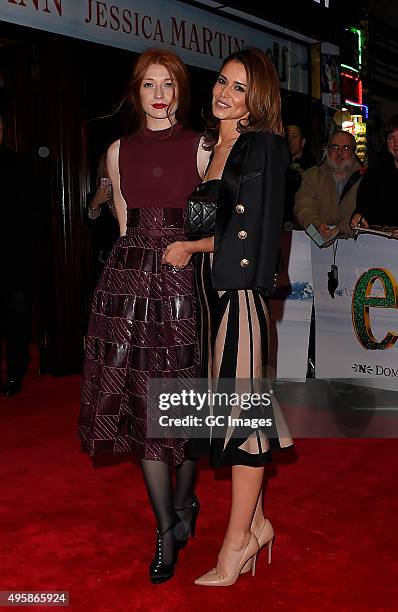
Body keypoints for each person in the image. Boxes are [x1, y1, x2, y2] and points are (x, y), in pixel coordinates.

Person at [78, 49, 209, 584]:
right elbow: (125, 226)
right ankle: (164, 529)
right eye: (149, 85)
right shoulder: (117, 151)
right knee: (143, 404)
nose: (159, 95)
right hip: (130, 286)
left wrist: (191, 251)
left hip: (184, 282)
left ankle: (184, 500)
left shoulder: (202, 147)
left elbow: (219, 225)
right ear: (137, 92)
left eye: (169, 85)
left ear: (180, 91)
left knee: (186, 399)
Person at [163, 47, 293, 586]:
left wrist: (191, 247)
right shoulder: (214, 148)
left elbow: (251, 233)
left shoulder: (263, 147)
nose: (224, 93)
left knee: (243, 428)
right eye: (222, 81)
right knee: (230, 421)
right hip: (210, 300)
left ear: (256, 99)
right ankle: (257, 524)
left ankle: (236, 544)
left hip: (239, 299)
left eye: (239, 87)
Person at [0, 111, 34, 396]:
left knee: (17, 320)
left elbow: (31, 217)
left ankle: (15, 373)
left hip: (15, 257)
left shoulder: (19, 166)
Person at [294, 130, 362, 240]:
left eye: (345, 148)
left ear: (354, 151)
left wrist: (341, 230)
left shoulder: (366, 178)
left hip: (357, 245)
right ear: (327, 150)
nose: (339, 153)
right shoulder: (310, 176)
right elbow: (303, 211)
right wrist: (317, 230)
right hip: (315, 242)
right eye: (334, 147)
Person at [351, 114, 398, 236]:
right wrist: (359, 215)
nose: (396, 143)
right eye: (391, 138)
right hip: (381, 244)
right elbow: (364, 203)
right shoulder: (376, 171)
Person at [284, 124, 316, 228]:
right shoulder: (278, 163)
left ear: (303, 141)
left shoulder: (311, 167)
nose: (289, 140)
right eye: (287, 136)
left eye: (294, 136)